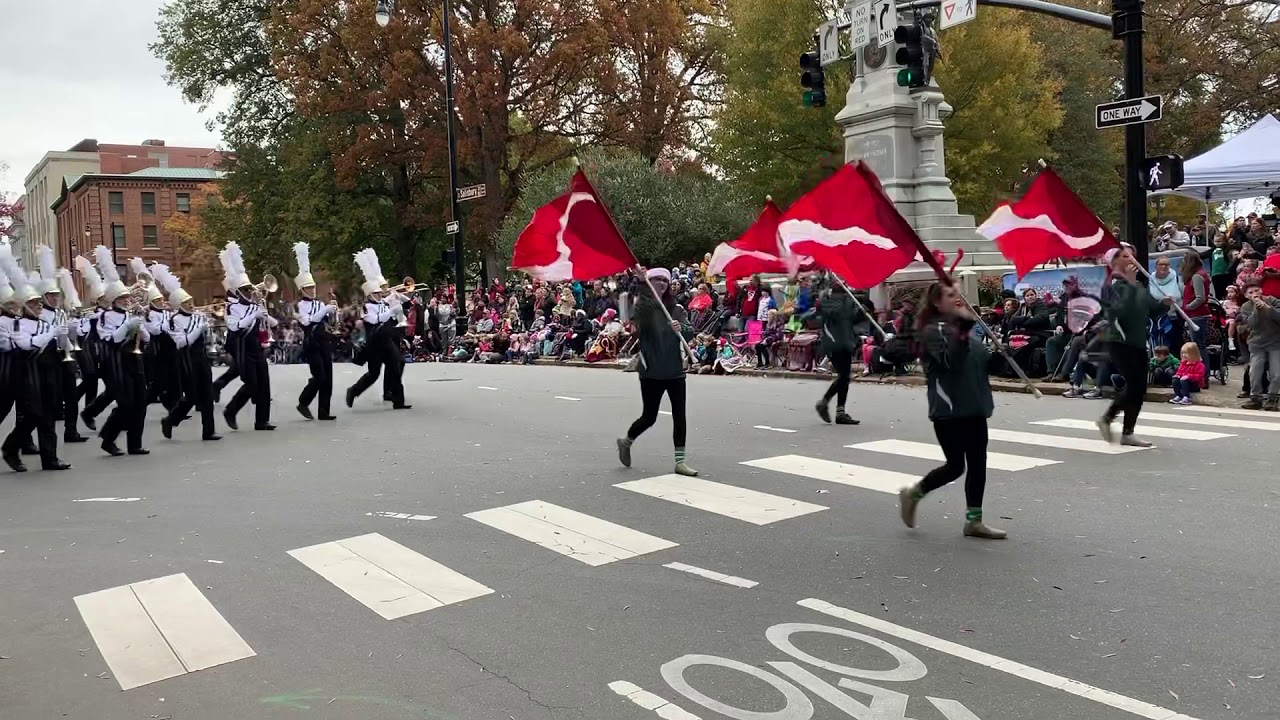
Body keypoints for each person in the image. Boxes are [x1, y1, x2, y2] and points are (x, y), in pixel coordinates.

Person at [896, 281, 1004, 539]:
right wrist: (965, 331)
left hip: (976, 406)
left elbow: (981, 366)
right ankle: (914, 493)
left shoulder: (967, 330)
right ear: (936, 302)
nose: (957, 297)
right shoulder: (931, 331)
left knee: (979, 465)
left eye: (958, 292)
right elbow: (950, 362)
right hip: (949, 410)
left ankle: (973, 521)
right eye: (949, 294)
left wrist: (1001, 355)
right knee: (956, 466)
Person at [617, 268, 697, 477]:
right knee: (649, 416)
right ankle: (626, 442)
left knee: (680, 416)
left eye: (664, 280)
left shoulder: (676, 308)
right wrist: (639, 283)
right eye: (656, 279)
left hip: (675, 370)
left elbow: (689, 332)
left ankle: (680, 462)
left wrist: (681, 329)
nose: (661, 283)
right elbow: (626, 313)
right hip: (651, 370)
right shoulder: (642, 306)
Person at [1097, 247, 1173, 446]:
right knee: (1135, 383)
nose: (1131, 259)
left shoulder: (1137, 286)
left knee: (1139, 388)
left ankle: (1127, 431)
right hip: (1119, 341)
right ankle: (1109, 418)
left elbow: (1152, 311)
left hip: (1139, 341)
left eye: (1133, 255)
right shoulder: (1111, 285)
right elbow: (1115, 313)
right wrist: (1130, 286)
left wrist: (1165, 304)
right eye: (1125, 255)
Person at [95, 248, 150, 458]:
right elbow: (113, 339)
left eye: (128, 298)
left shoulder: (131, 314)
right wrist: (129, 324)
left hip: (135, 361)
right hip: (117, 363)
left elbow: (147, 339)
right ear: (115, 300)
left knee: (140, 405)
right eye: (123, 298)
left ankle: (135, 444)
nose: (128, 300)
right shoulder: (106, 317)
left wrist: (141, 325)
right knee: (126, 405)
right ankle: (108, 438)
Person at [155, 268, 220, 441]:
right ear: (178, 305)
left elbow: (206, 339)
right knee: (191, 396)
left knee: (207, 395)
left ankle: (209, 431)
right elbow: (182, 342)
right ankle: (170, 420)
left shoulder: (196, 316)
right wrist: (199, 327)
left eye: (190, 302)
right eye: (186, 303)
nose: (191, 305)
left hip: (201, 358)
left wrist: (207, 328)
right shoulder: (175, 320)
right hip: (186, 360)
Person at [221, 245, 275, 431]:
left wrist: (265, 314)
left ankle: (262, 420)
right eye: (244, 289)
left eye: (248, 288)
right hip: (243, 348)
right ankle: (231, 410)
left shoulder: (255, 304)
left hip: (259, 347)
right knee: (252, 384)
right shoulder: (231, 307)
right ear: (237, 291)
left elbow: (273, 323)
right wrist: (254, 315)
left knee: (264, 386)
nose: (248, 292)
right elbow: (236, 326)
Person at [293, 243, 337, 420]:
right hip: (311, 343)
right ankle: (303, 402)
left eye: (313, 287)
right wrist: (325, 310)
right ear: (302, 290)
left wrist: (333, 311)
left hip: (324, 341)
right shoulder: (299, 306)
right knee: (319, 377)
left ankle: (324, 412)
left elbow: (328, 322)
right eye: (309, 288)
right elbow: (308, 321)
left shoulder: (319, 303)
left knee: (328, 379)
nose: (312, 290)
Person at [813, 278, 862, 425]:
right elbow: (845, 315)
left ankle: (839, 411)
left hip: (840, 341)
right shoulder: (838, 303)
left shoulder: (831, 302)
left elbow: (851, 319)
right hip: (838, 342)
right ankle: (825, 402)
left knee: (844, 377)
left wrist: (861, 311)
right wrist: (856, 308)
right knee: (844, 376)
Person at [1240, 283, 1280, 411]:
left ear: (1261, 290)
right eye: (1250, 293)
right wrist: (1257, 309)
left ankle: (1272, 399)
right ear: (1246, 295)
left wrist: (1268, 308)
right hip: (1257, 343)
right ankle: (1255, 398)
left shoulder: (1272, 300)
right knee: (1255, 372)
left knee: (1276, 373)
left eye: (1256, 290)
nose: (1254, 294)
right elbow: (1252, 324)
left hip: (1275, 342)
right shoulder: (1245, 307)